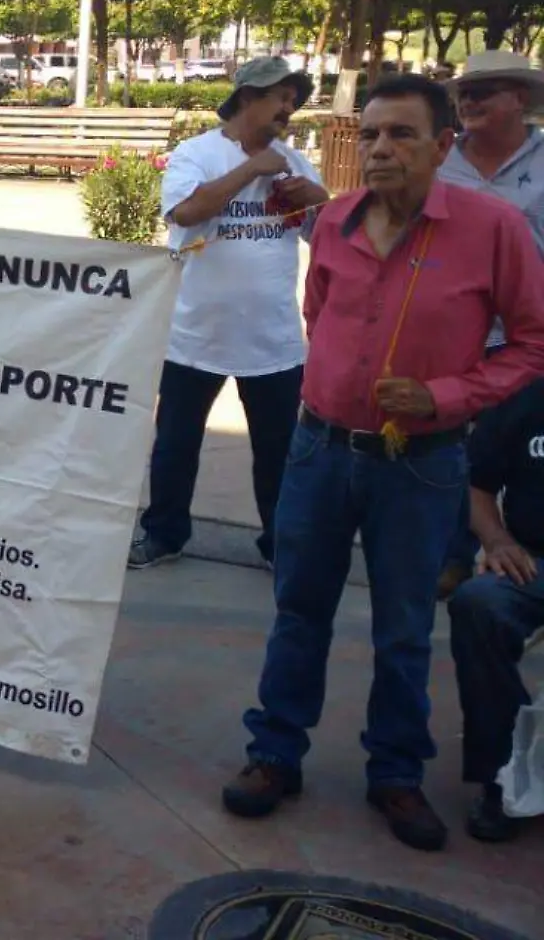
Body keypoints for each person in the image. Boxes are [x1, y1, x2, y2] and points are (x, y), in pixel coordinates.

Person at [222, 74, 544, 853]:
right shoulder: (333, 221)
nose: (380, 150)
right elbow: (320, 312)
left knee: (403, 625)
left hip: (424, 465)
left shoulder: (492, 228)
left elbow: (533, 342)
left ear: (443, 146)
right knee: (300, 610)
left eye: (401, 135)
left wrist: (444, 395)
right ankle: (275, 754)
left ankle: (395, 773)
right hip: (320, 449)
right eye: (369, 135)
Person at [131, 58, 327, 571]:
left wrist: (318, 203)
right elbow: (185, 214)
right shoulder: (196, 154)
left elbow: (328, 240)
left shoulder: (296, 162)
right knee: (176, 443)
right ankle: (164, 533)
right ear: (247, 98)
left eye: (293, 99)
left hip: (273, 341)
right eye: (280, 97)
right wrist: (249, 172)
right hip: (196, 334)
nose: (289, 108)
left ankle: (281, 545)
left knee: (280, 452)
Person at [436, 50, 544, 593]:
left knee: (522, 452)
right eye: (465, 93)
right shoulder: (439, 160)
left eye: (485, 91)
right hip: (452, 333)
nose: (470, 101)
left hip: (526, 340)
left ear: (519, 100)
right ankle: (453, 557)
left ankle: (521, 562)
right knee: (449, 447)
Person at [448, 375, 544, 843]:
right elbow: (475, 482)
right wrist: (497, 539)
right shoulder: (527, 395)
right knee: (478, 604)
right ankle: (502, 771)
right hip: (533, 561)